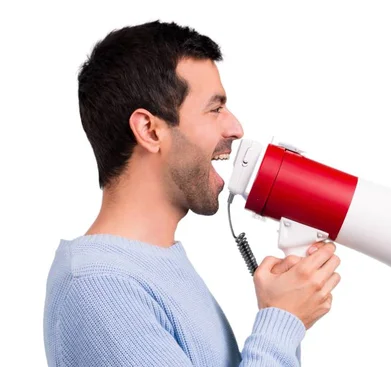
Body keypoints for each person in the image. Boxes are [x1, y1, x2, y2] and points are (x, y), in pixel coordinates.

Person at [43, 20, 341, 367]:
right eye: (215, 109)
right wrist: (282, 322)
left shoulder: (151, 264)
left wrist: (286, 318)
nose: (235, 127)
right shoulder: (98, 286)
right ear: (150, 131)